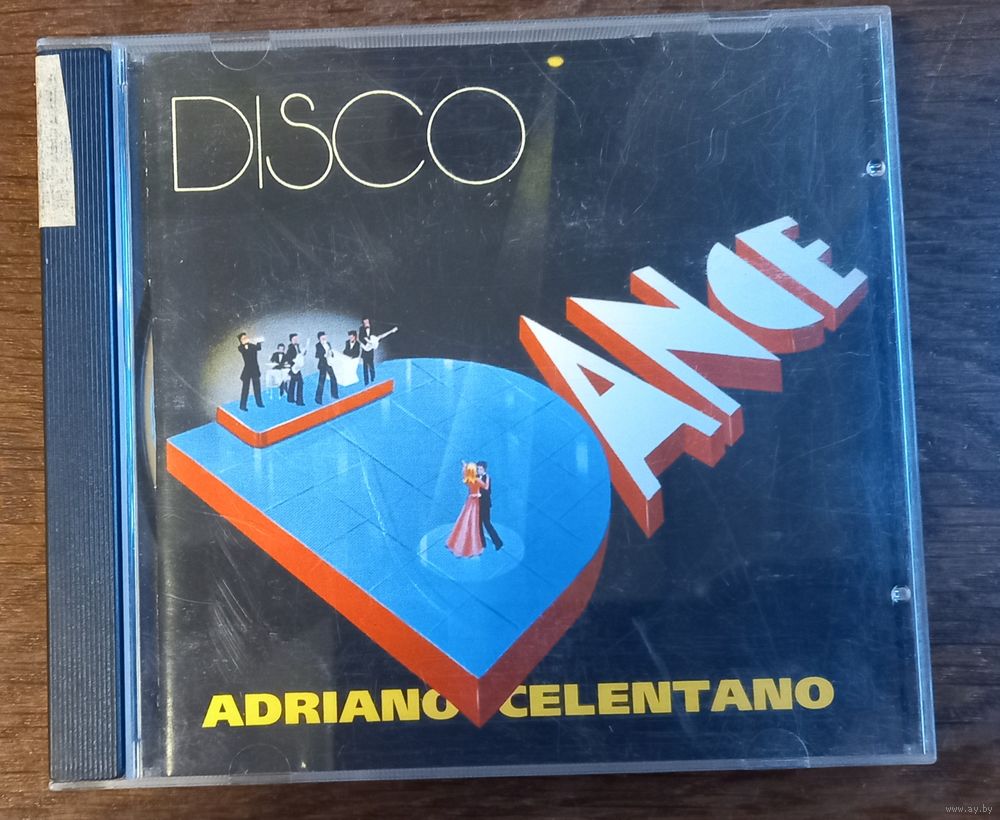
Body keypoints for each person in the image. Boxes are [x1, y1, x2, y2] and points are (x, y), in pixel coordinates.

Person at [445, 462, 486, 558]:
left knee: (464, 518)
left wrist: (464, 467)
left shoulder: (468, 480)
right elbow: (484, 486)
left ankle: (456, 544)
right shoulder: (477, 480)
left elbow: (464, 474)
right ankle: (472, 546)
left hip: (469, 501)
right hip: (475, 502)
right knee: (474, 522)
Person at [476, 461, 503, 549]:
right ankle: (482, 543)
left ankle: (498, 542)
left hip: (485, 505)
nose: (478, 470)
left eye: (480, 469)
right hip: (477, 504)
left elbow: (487, 491)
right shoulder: (476, 477)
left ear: (484, 469)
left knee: (487, 523)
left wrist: (479, 494)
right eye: (477, 469)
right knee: (478, 524)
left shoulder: (487, 478)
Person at [237, 332, 264, 411]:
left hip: (255, 370)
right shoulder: (240, 347)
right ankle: (242, 406)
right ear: (241, 341)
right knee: (245, 389)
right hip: (247, 371)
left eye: (246, 337)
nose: (246, 339)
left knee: (257, 388)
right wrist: (247, 344)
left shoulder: (252, 345)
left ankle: (259, 403)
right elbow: (245, 350)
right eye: (243, 338)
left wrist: (258, 341)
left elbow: (258, 348)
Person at [314, 331, 339, 404]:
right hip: (323, 365)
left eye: (325, 337)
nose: (324, 339)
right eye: (322, 338)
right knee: (321, 381)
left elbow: (331, 352)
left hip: (329, 363)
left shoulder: (328, 343)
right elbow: (317, 355)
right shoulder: (318, 345)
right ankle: (318, 399)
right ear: (319, 339)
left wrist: (331, 354)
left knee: (333, 378)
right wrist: (324, 355)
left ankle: (334, 394)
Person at [284, 332, 305, 406]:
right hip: (293, 369)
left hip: (297, 368)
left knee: (292, 383)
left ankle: (290, 398)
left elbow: (301, 354)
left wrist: (303, 352)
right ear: (291, 340)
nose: (296, 340)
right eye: (294, 339)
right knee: (300, 383)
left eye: (296, 339)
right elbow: (288, 359)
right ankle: (299, 401)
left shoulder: (298, 347)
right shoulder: (290, 349)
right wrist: (294, 360)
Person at [359, 317, 376, 385]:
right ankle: (366, 381)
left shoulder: (373, 328)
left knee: (371, 364)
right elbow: (360, 338)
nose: (366, 323)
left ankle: (373, 378)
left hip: (371, 349)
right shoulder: (361, 329)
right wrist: (366, 344)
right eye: (365, 322)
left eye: (367, 322)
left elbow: (376, 338)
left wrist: (372, 343)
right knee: (365, 366)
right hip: (365, 350)